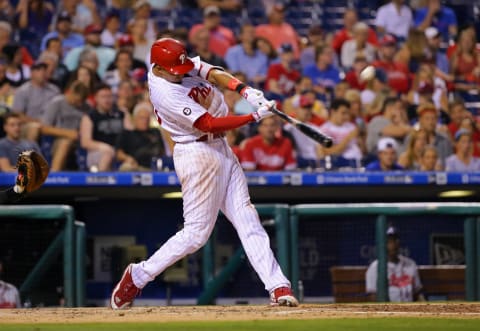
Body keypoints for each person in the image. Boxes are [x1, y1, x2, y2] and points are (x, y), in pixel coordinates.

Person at [110, 37, 298, 309]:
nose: (182, 72)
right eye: (175, 70)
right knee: (196, 235)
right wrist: (253, 117)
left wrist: (244, 90)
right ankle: (138, 275)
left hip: (221, 148)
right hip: (197, 154)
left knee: (248, 219)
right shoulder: (164, 92)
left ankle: (278, 286)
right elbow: (207, 123)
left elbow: (211, 72)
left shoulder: (176, 63)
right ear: (158, 68)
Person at [40, 80, 90, 171]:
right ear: (70, 92)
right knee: (65, 143)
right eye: (76, 100)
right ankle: (55, 176)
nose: (79, 104)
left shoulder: (87, 107)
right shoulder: (57, 103)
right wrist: (67, 133)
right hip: (57, 140)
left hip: (80, 140)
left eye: (81, 101)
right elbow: (44, 128)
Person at [365, 226, 424, 302]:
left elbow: (418, 293)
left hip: (410, 311)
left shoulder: (411, 264)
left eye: (396, 239)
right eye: (390, 241)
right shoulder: (375, 268)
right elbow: (373, 299)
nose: (395, 243)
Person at [79, 84, 124, 172]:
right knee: (107, 153)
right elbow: (85, 142)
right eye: (103, 97)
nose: (107, 100)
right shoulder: (89, 116)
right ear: (96, 98)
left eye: (109, 96)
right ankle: (100, 182)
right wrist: (105, 147)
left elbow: (130, 133)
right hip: (98, 152)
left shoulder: (121, 114)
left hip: (119, 151)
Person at [12, 61, 61, 141]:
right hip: (28, 125)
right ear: (31, 73)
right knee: (34, 127)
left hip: (51, 125)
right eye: (38, 70)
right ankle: (29, 153)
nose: (42, 72)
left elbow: (60, 110)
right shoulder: (23, 91)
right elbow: (17, 115)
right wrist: (37, 121)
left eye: (44, 69)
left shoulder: (55, 90)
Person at [115, 102, 166, 171]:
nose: (145, 121)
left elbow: (162, 151)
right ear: (134, 118)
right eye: (142, 118)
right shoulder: (126, 134)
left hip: (154, 166)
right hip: (135, 166)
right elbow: (119, 153)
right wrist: (128, 159)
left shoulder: (155, 132)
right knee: (126, 167)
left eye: (147, 118)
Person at [319, 99, 362, 166]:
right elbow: (331, 152)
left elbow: (362, 148)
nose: (346, 116)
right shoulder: (325, 129)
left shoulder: (351, 126)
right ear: (333, 112)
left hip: (358, 160)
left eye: (348, 113)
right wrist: (348, 138)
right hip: (341, 163)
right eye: (343, 113)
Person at [224, 22, 268, 86]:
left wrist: (259, 79)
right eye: (248, 32)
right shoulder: (232, 52)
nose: (251, 34)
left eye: (253, 32)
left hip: (257, 87)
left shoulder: (262, 54)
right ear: (240, 36)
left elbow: (264, 75)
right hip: (237, 86)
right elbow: (234, 73)